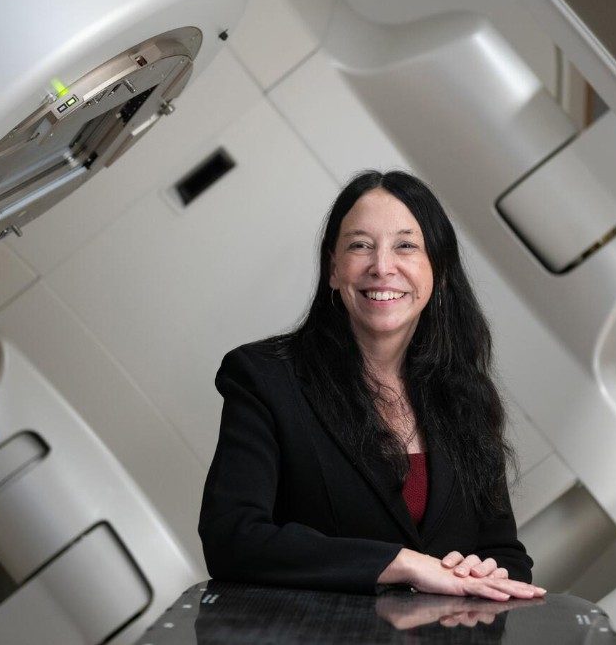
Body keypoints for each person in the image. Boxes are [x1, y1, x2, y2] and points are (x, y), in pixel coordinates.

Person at [199, 170, 543, 601]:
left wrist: (483, 569)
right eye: (360, 245)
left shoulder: (465, 394)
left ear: (437, 270)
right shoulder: (264, 377)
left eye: (405, 246)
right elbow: (232, 537)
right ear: (333, 269)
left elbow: (505, 553)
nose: (382, 267)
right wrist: (401, 564)